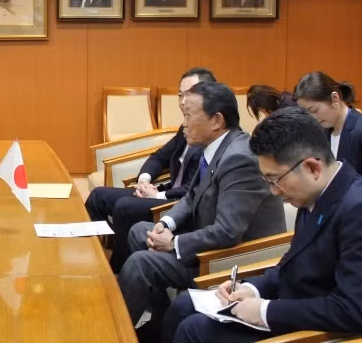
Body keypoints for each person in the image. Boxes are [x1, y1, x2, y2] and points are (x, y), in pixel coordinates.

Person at [163, 107, 362, 343]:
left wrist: (264, 311)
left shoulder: (355, 209)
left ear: (312, 168)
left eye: (275, 180)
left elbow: (351, 309)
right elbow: (292, 264)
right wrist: (252, 289)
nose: (273, 191)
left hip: (313, 330)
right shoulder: (313, 192)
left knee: (193, 330)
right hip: (291, 306)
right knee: (184, 305)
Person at [118, 81, 285, 336]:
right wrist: (165, 224)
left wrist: (174, 243)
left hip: (230, 257)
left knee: (140, 264)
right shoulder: (216, 148)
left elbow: (227, 232)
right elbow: (191, 196)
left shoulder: (239, 158)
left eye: (188, 115)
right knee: (140, 231)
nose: (183, 124)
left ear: (216, 120)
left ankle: (114, 333)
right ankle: (159, 323)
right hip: (207, 242)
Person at [86, 68, 214, 273]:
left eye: (190, 95)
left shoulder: (211, 134)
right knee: (98, 196)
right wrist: (144, 181)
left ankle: (116, 270)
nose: (183, 102)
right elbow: (159, 156)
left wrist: (158, 195)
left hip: (177, 202)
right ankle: (96, 254)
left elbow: (194, 189)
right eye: (180, 95)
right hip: (162, 191)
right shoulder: (185, 126)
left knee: (124, 207)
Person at [294, 71, 362, 173]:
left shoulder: (359, 130)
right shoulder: (322, 132)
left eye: (314, 110)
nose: (313, 118)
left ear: (334, 99)